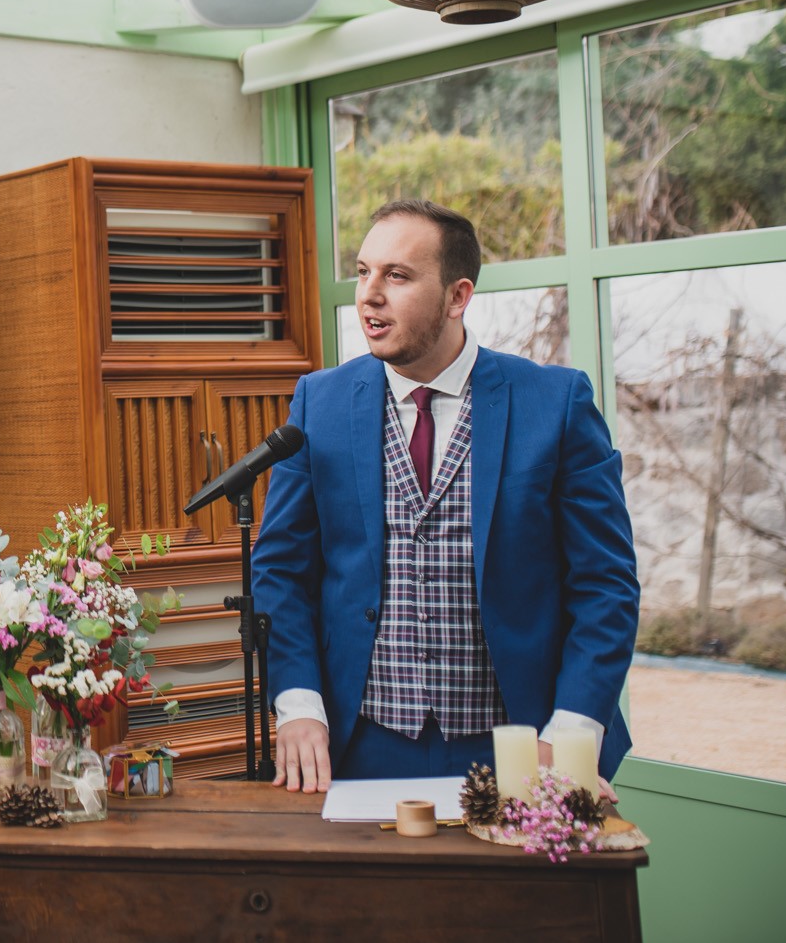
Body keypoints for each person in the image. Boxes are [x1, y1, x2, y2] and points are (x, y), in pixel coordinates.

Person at [255, 199, 639, 790]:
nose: (369, 295)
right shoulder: (319, 403)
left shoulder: (555, 404)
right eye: (363, 272)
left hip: (522, 744)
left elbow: (605, 584)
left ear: (458, 296)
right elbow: (280, 570)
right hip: (358, 744)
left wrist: (570, 733)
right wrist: (300, 705)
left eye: (397, 276)